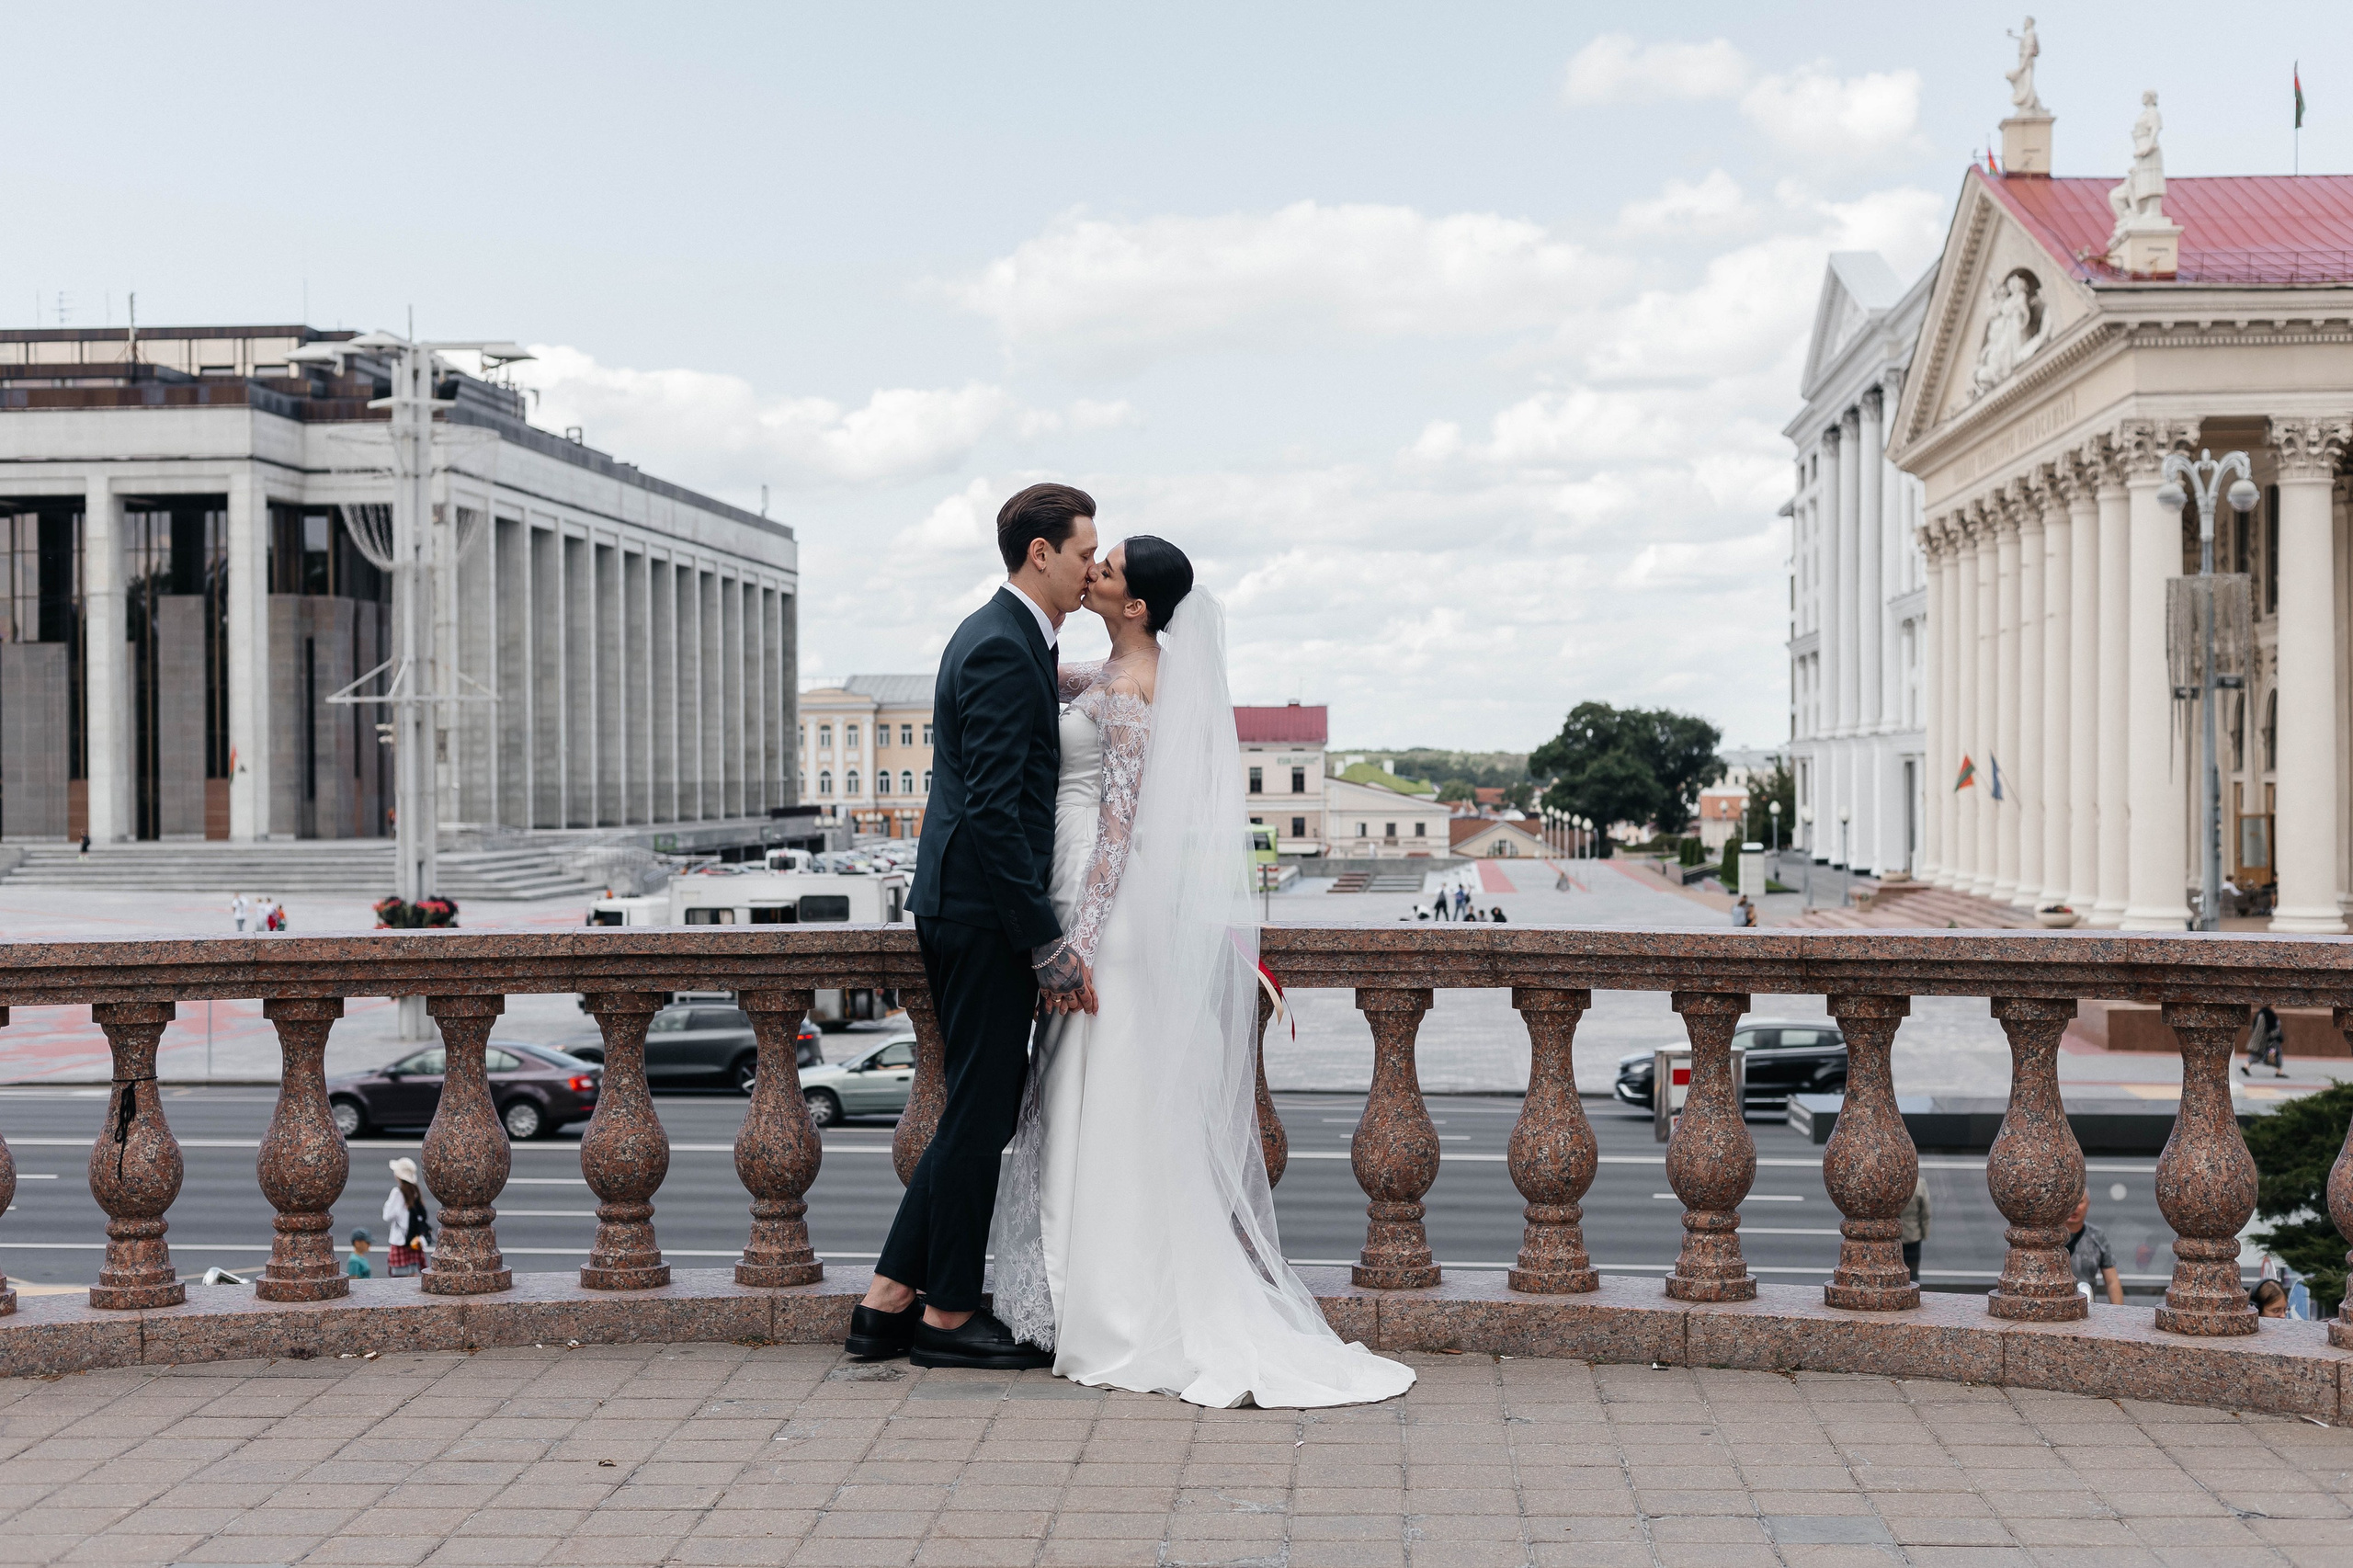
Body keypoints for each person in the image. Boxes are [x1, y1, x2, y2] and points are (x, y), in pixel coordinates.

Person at [978, 532, 1413, 1409]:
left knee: (1089, 1099)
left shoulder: (1135, 692)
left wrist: (1078, 944)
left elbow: (1120, 831)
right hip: (1084, 895)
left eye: (1106, 568)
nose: (1091, 570)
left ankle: (1101, 1303)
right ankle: (1082, 1291)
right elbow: (1045, 676)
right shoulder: (1116, 672)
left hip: (1101, 907)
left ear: (1135, 606)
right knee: (1090, 1098)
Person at [851, 483, 1097, 1373]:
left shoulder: (1007, 636)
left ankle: (886, 1303)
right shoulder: (1001, 645)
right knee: (979, 1114)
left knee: (974, 1110)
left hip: (966, 904)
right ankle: (948, 1314)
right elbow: (996, 812)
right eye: (1081, 553)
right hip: (982, 912)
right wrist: (1046, 940)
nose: (1088, 569)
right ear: (1041, 551)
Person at [2064, 1191, 2123, 1305]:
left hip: (2087, 1304)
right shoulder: (2050, 1237)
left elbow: (2112, 1281)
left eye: (2080, 1202)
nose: (2075, 1208)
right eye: (2071, 1202)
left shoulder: (2097, 1236)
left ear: (2088, 1204)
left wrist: (2119, 1314)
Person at [383, 1158, 430, 1277]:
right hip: (414, 1242)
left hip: (400, 1241)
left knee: (398, 1281)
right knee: (413, 1278)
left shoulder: (397, 1193)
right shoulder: (415, 1192)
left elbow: (387, 1216)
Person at [1898, 1174, 1931, 1282]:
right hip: (1913, 1235)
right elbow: (1925, 1212)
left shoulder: (1893, 1184)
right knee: (1912, 1271)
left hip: (1895, 1235)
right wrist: (1924, 1233)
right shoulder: (1919, 1184)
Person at [2242, 1004, 2285, 1078]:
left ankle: (2246, 1066)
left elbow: (2253, 1026)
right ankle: (2279, 1071)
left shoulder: (2260, 1013)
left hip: (2259, 1039)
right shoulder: (2270, 1014)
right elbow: (2272, 1028)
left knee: (2256, 1054)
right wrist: (2277, 1035)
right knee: (2276, 1053)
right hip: (2269, 1040)